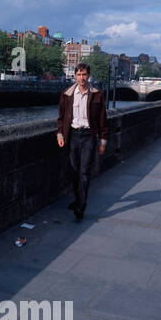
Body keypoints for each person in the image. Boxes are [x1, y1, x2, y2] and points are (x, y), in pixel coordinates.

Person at [57, 63, 108, 222]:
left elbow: (102, 119)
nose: (82, 78)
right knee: (74, 171)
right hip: (72, 135)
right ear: (75, 76)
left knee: (84, 172)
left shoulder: (97, 94)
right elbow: (61, 117)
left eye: (84, 74)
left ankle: (81, 206)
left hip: (88, 136)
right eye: (79, 75)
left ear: (89, 75)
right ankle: (78, 200)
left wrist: (103, 140)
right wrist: (60, 133)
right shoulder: (67, 94)